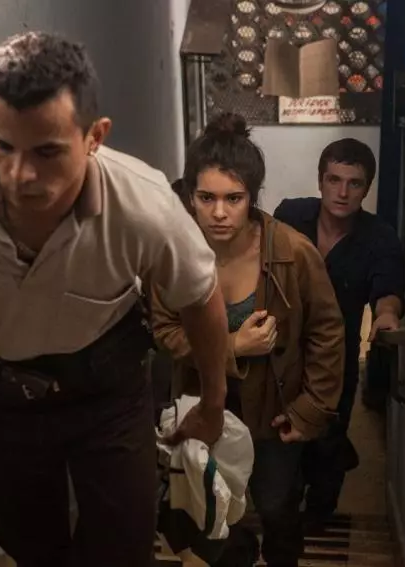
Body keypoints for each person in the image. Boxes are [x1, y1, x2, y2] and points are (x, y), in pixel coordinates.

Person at [0, 31, 229, 567]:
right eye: (3, 146)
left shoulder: (142, 203)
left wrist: (213, 404)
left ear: (94, 137)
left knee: (124, 546)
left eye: (47, 151)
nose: (19, 176)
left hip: (108, 394)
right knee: (28, 545)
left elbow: (200, 298)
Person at [151, 112, 345, 567]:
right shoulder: (172, 254)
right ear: (190, 197)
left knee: (276, 505)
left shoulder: (292, 252)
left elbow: (328, 331)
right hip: (204, 404)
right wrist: (233, 346)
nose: (219, 213)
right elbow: (165, 331)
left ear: (252, 197)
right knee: (213, 506)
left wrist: (310, 410)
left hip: (275, 409)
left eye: (233, 199)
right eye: (207, 198)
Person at [273, 138, 405, 521]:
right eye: (334, 180)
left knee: (327, 439)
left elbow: (387, 288)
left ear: (367, 188)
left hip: (337, 355)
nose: (342, 192)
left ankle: (319, 513)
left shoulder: (378, 237)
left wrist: (386, 315)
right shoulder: (290, 216)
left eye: (354, 183)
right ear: (320, 181)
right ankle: (284, 514)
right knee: (280, 433)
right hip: (283, 349)